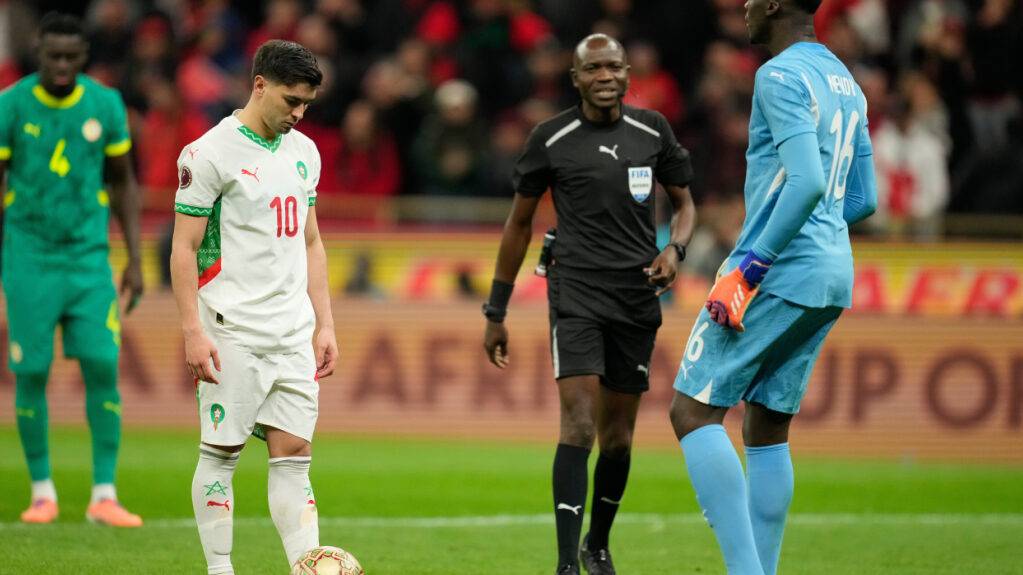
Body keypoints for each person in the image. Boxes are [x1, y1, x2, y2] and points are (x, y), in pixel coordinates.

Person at [668, 1, 878, 574]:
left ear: (775, 5)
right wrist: (821, 237)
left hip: (780, 270)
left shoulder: (778, 74)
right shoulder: (847, 83)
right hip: (832, 271)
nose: (744, 6)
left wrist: (754, 266)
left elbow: (807, 180)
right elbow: (865, 199)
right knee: (766, 424)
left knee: (692, 412)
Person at [483, 33, 696, 575]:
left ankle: (597, 545)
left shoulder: (653, 131)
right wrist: (496, 309)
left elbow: (686, 204)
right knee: (577, 425)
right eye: (593, 69)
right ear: (575, 79)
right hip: (575, 292)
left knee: (618, 439)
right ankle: (565, 564)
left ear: (628, 75)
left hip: (636, 294)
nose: (605, 76)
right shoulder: (551, 138)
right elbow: (519, 224)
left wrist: (675, 247)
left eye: (614, 67)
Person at [170, 40, 338, 574]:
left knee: (295, 458)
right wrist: (192, 331)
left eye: (307, 104)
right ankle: (221, 571)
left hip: (292, 332)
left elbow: (311, 240)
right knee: (221, 455)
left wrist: (324, 323)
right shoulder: (207, 154)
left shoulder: (304, 152)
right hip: (231, 329)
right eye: (291, 100)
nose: (299, 113)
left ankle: (306, 567)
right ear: (259, 85)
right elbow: (184, 248)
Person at [0, 11, 143, 527]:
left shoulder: (104, 104)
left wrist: (133, 256)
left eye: (71, 57)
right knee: (30, 372)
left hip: (88, 259)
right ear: (38, 53)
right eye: (52, 55)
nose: (61, 66)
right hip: (29, 257)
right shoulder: (10, 106)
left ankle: (104, 494)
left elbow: (124, 182)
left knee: (103, 366)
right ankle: (43, 493)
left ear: (85, 58)